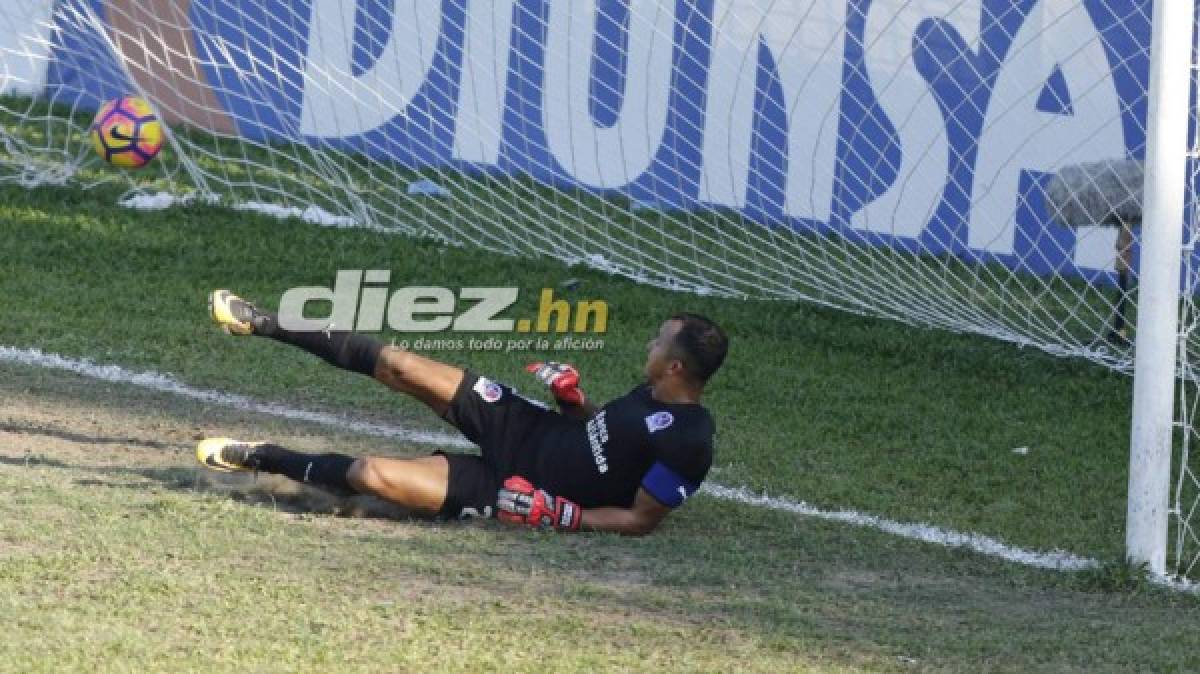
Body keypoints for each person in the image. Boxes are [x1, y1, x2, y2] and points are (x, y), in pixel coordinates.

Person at [197, 289, 727, 534]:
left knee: (372, 474)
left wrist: (563, 515)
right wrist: (575, 402)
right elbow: (607, 444)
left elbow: (640, 519)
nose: (650, 344)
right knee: (399, 364)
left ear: (675, 367)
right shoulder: (652, 391)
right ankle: (263, 321)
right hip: (525, 426)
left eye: (660, 340)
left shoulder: (690, 441)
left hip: (516, 490)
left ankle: (260, 458)